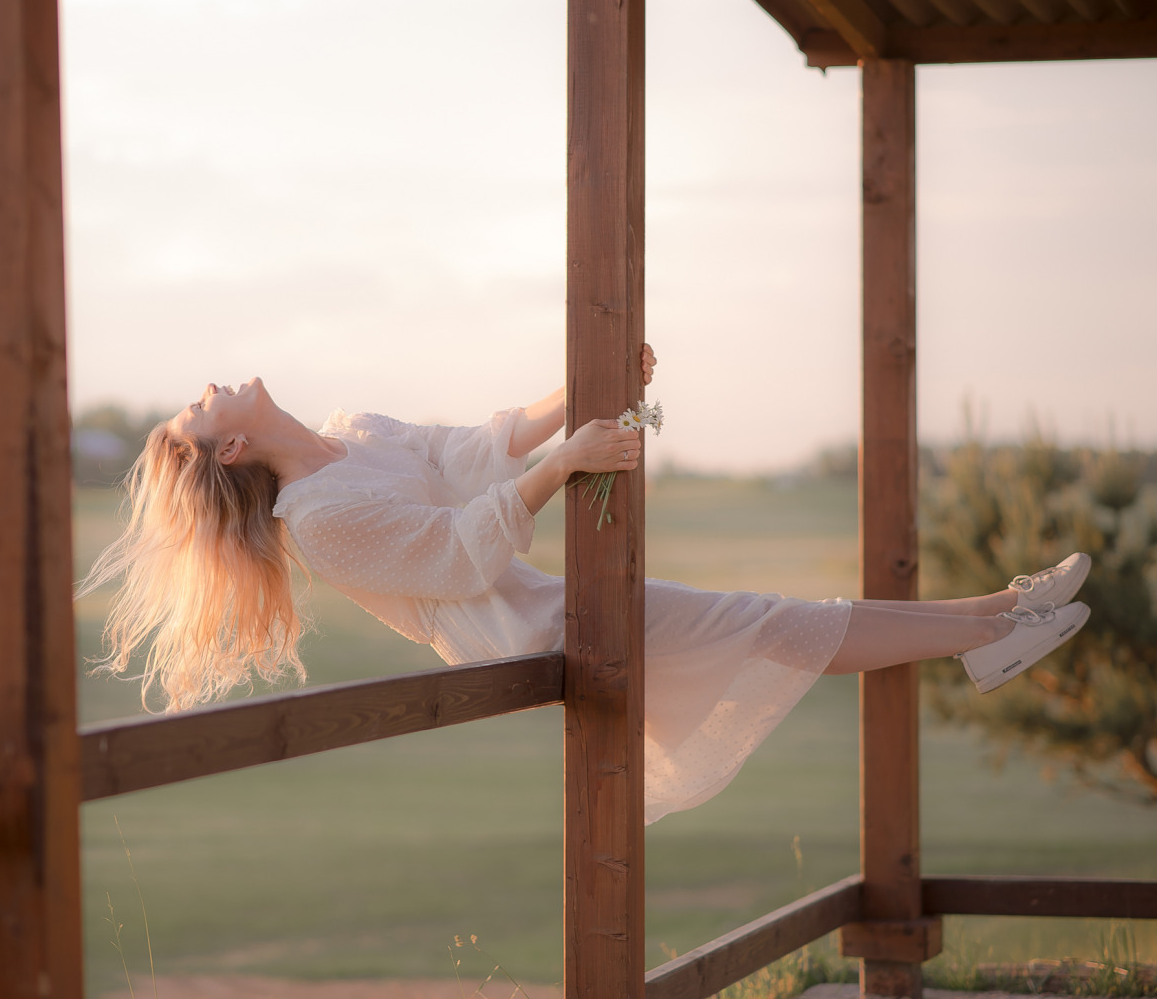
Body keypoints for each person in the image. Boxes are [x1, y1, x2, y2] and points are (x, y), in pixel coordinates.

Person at [79, 348, 1092, 822]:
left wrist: (583, 383)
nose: (209, 386)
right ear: (236, 443)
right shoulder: (319, 521)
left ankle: (996, 623)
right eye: (200, 408)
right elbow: (461, 550)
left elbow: (475, 448)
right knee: (780, 620)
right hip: (529, 632)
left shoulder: (355, 437)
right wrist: (569, 462)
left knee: (782, 622)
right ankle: (998, 619)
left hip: (554, 607)